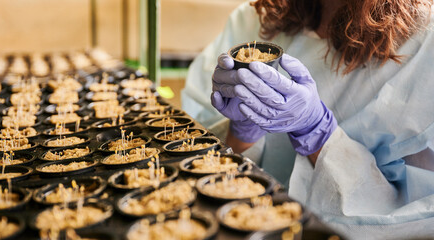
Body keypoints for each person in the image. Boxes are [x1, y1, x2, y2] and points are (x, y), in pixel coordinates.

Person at [182, 0, 434, 238]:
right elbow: (189, 164)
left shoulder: (424, 44)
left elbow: (410, 219)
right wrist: (240, 131)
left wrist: (318, 134)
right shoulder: (255, 18)